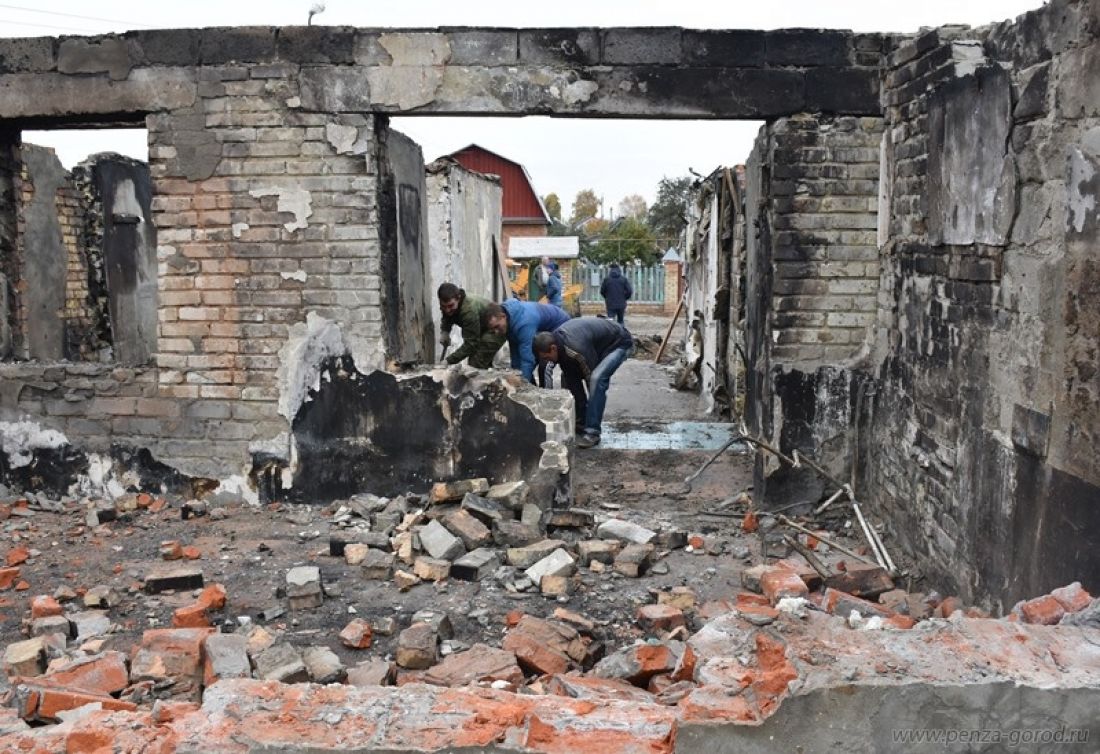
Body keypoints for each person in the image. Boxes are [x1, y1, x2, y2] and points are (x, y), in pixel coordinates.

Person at [533, 317, 633, 449]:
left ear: (553, 349)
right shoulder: (556, 345)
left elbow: (590, 378)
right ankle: (580, 422)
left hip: (619, 343)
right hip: (595, 344)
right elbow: (547, 373)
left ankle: (592, 432)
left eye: (547, 357)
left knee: (597, 380)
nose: (547, 361)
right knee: (568, 377)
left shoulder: (575, 349)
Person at [486, 299, 570, 386]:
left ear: (503, 316)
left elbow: (527, 359)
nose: (496, 332)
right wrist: (516, 374)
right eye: (492, 329)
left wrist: (521, 385)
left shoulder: (524, 324)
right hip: (542, 331)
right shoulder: (508, 322)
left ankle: (546, 396)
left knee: (544, 365)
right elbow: (516, 355)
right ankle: (533, 391)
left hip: (561, 325)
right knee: (524, 369)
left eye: (497, 326)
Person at [437, 283, 505, 369]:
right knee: (479, 361)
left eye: (450, 306)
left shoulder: (468, 311)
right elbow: (447, 316)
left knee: (475, 363)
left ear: (458, 298)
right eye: (444, 306)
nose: (447, 310)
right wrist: (445, 331)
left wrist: (448, 361)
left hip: (497, 327)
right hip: (481, 327)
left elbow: (471, 344)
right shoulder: (451, 306)